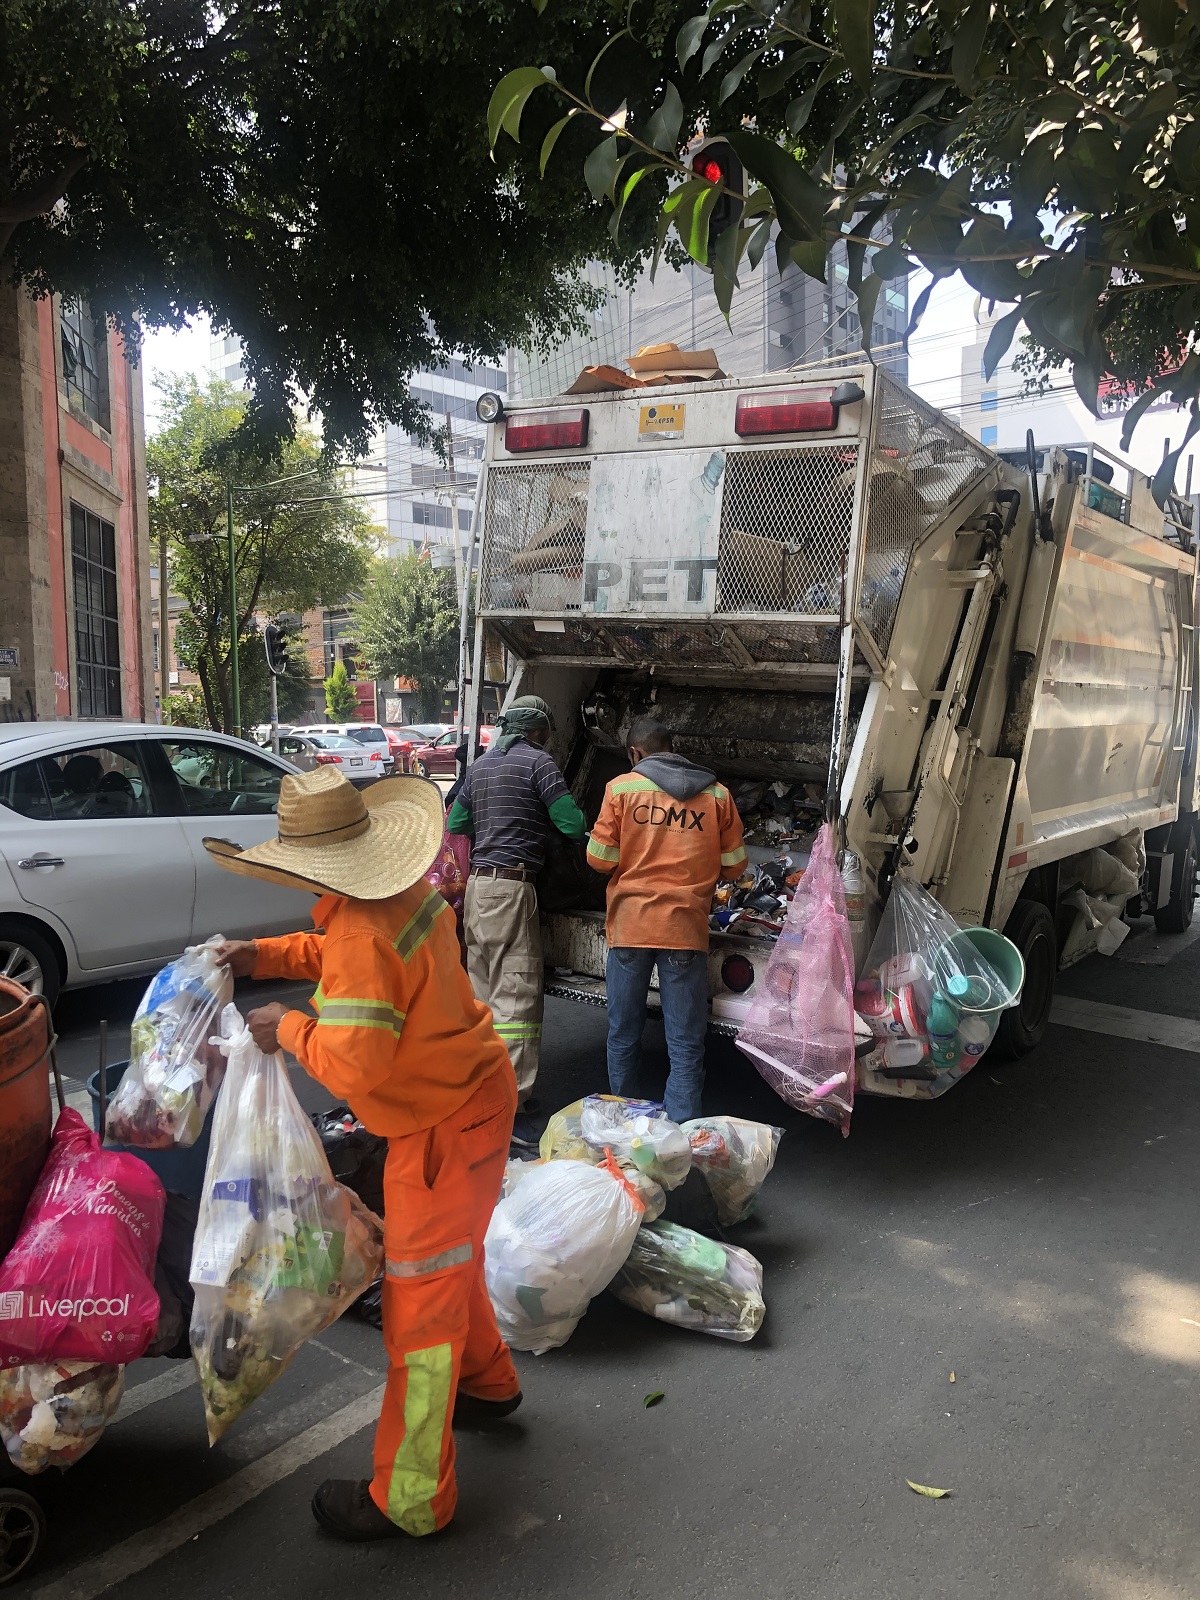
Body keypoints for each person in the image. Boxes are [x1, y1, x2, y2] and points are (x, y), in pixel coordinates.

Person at [206, 765, 521, 1544]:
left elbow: (353, 1064)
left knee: (419, 1314)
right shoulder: (398, 897)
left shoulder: (360, 927)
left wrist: (285, 1028)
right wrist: (266, 956)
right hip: (474, 1103)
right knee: (448, 1270)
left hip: (439, 1131)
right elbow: (347, 960)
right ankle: (488, 1383)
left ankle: (410, 1499)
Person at [586, 714, 747, 1123]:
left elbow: (599, 860)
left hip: (630, 927)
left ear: (635, 753)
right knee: (685, 1043)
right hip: (685, 930)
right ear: (671, 748)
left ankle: (621, 1126)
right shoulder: (717, 795)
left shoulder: (621, 789)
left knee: (623, 1034)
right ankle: (681, 1135)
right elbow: (735, 866)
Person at [447, 695, 586, 1141]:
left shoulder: (481, 766)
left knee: (482, 998)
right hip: (512, 889)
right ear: (538, 731)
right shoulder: (539, 763)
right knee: (518, 1000)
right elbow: (571, 825)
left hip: (477, 890)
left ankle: (481, 1096)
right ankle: (513, 1105)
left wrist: (496, 824)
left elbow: (457, 821)